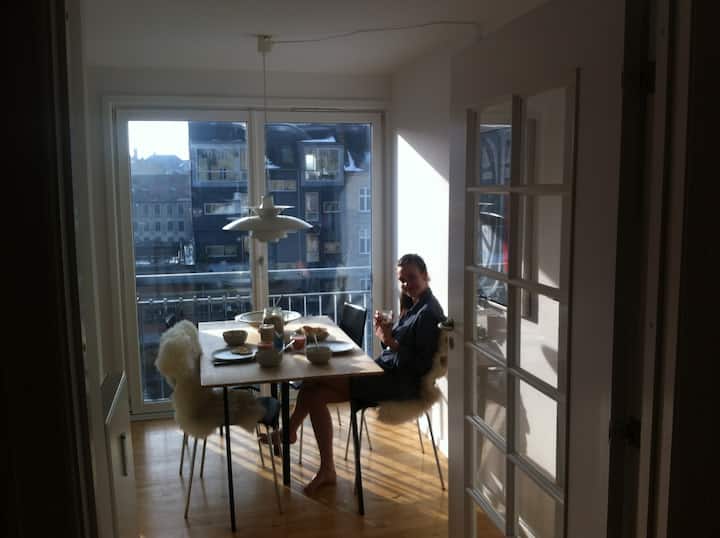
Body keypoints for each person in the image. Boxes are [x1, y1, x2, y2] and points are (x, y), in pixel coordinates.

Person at [261, 253, 445, 494]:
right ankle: (320, 463)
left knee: (313, 380)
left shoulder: (428, 313)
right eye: (402, 280)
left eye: (411, 278)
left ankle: (294, 437)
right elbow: (398, 349)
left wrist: (390, 341)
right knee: (313, 392)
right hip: (384, 372)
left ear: (425, 275)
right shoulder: (414, 305)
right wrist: (386, 336)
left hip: (398, 384)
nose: (406, 284)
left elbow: (419, 365)